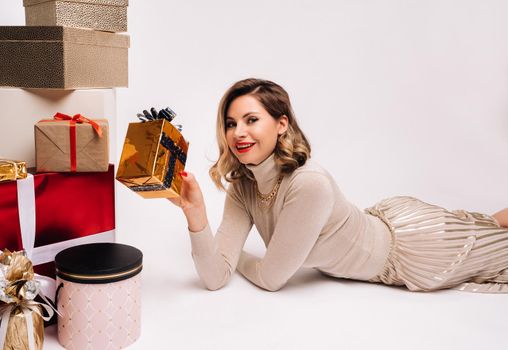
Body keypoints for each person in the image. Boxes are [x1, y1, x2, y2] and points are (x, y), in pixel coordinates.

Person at [169, 78, 508, 293]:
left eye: (251, 120)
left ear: (281, 124)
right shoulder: (244, 186)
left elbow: (272, 279)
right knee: (485, 225)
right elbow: (215, 278)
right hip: (391, 229)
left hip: (414, 250)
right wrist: (197, 217)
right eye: (231, 123)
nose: (238, 132)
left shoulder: (309, 184)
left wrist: (235, 255)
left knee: (493, 245)